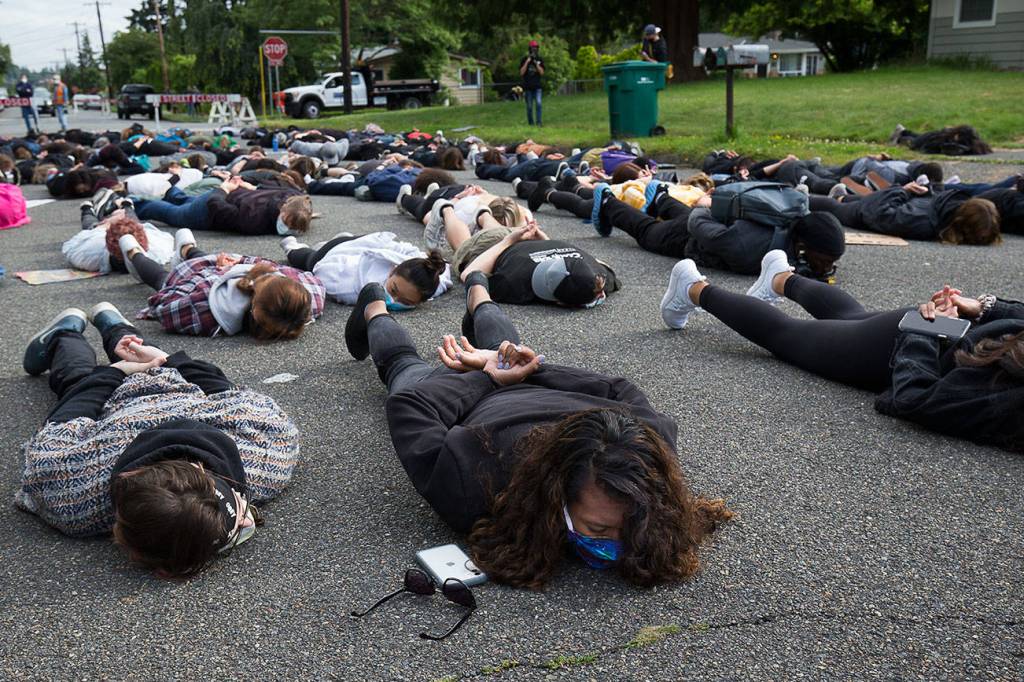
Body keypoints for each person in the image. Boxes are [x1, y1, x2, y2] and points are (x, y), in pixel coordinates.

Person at [341, 274, 733, 588]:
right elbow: (410, 405)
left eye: (628, 526)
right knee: (404, 366)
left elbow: (619, 389)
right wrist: (489, 377)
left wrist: (532, 368)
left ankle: (478, 288)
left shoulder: (650, 451)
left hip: (524, 382)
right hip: (465, 397)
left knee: (506, 347)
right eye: (598, 530)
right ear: (552, 497)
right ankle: (375, 303)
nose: (616, 544)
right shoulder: (473, 478)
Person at [18, 303, 300, 577]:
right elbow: (229, 392)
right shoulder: (75, 498)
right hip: (164, 383)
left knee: (80, 377)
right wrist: (167, 360)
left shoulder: (76, 487)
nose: (247, 518)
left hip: (121, 398)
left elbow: (63, 423)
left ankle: (74, 332)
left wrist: (117, 372)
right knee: (94, 369)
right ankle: (104, 328)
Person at [658, 250, 1024, 453]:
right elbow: (915, 400)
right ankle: (693, 288)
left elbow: (918, 399)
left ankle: (780, 278)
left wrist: (982, 309)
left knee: (852, 318)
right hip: (926, 345)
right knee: (787, 335)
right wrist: (971, 312)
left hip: (949, 334)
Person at [121, 229, 325, 338]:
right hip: (223, 270)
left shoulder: (207, 308)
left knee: (162, 279)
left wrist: (221, 272)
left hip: (195, 279)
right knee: (210, 259)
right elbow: (310, 281)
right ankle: (186, 249)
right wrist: (239, 263)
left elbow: (161, 305)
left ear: (255, 309)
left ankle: (135, 254)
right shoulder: (306, 301)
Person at [460, 223, 619, 308]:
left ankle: (481, 212)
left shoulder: (603, 276)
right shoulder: (516, 284)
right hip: (512, 244)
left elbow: (469, 274)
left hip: (494, 247)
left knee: (481, 231)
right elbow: (470, 275)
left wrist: (508, 241)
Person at [281, 231, 451, 308]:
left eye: (405, 302)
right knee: (305, 259)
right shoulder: (350, 288)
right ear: (393, 270)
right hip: (333, 253)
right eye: (393, 290)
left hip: (363, 248)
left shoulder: (429, 285)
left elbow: (444, 274)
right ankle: (291, 246)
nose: (392, 300)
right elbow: (320, 273)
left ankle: (344, 237)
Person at [133, 177, 312, 236]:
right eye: (286, 222)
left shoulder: (290, 195)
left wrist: (249, 187)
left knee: (188, 201)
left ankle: (171, 191)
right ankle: (134, 204)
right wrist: (223, 189)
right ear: (283, 210)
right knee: (171, 213)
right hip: (208, 209)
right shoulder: (253, 220)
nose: (286, 228)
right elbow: (216, 205)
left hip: (230, 194)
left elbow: (264, 187)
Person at [519, 41, 545, 127]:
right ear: (530, 49)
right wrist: (527, 62)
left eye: (536, 48)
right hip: (528, 88)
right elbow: (521, 73)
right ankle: (531, 124)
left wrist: (535, 63)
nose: (534, 50)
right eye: (533, 48)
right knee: (529, 107)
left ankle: (539, 122)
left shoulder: (539, 59)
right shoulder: (524, 59)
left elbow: (542, 72)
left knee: (538, 103)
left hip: (537, 87)